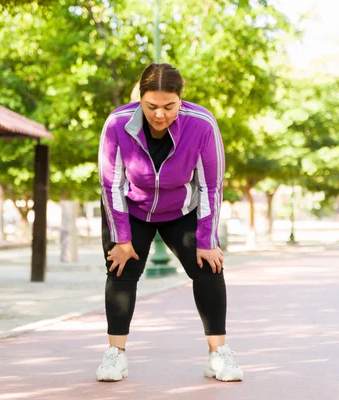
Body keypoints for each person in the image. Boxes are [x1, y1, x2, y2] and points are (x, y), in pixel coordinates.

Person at [96, 63, 243, 382]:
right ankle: (115, 355)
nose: (160, 114)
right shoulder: (118, 123)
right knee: (121, 268)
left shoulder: (201, 124)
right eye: (151, 106)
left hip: (182, 208)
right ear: (140, 99)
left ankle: (218, 355)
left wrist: (207, 241)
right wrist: (122, 239)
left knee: (209, 266)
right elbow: (112, 185)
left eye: (169, 106)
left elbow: (211, 185)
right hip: (133, 208)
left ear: (181, 100)